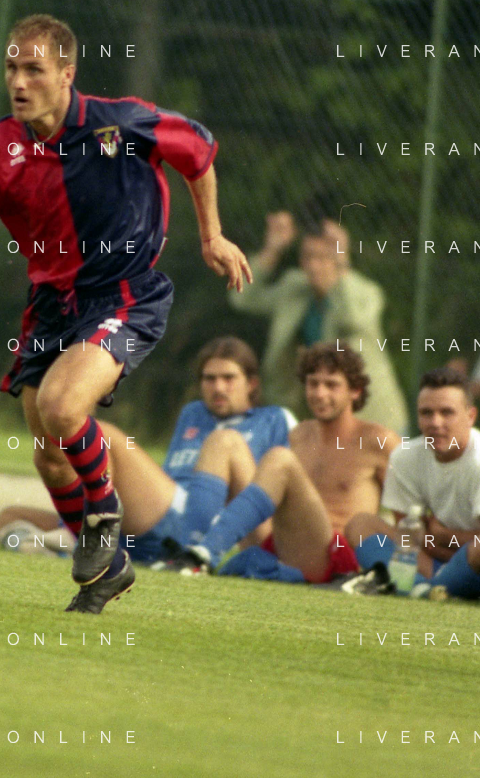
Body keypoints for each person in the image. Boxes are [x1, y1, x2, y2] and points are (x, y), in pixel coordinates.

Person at [0, 13, 251, 612]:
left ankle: (104, 515)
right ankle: (108, 570)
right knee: (50, 454)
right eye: (11, 68)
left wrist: (212, 235)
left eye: (34, 69)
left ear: (67, 74)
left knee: (61, 406)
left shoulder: (120, 123)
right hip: (52, 307)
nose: (18, 82)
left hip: (125, 293)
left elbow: (198, 150)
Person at [0, 335, 296, 563]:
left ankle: (80, 537)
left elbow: (293, 482)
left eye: (229, 379)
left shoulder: (274, 419)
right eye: (209, 379)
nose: (218, 387)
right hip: (154, 517)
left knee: (102, 435)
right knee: (9, 517)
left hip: (193, 526)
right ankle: (49, 550)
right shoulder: (194, 413)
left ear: (252, 383)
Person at [185, 344, 399, 583]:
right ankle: (188, 546)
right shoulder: (298, 435)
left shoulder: (379, 441)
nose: (320, 393)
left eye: (331, 385)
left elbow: (409, 518)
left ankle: (206, 552)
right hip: (283, 547)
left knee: (280, 459)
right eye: (313, 383)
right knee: (224, 440)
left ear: (355, 391)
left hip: (337, 558)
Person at [229, 212, 408, 434]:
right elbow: (243, 298)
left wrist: (342, 262)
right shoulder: (294, 288)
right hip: (313, 413)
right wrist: (272, 249)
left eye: (323, 257)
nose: (314, 266)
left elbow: (352, 319)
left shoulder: (365, 292)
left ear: (337, 259)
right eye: (308, 257)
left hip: (371, 415)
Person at [344, 366, 480, 599]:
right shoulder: (405, 457)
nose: (435, 422)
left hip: (472, 562)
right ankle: (425, 588)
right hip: (433, 560)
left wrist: (443, 535)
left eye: (447, 412)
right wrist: (434, 540)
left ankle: (418, 588)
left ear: (470, 416)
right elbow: (408, 537)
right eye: (426, 413)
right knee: (361, 524)